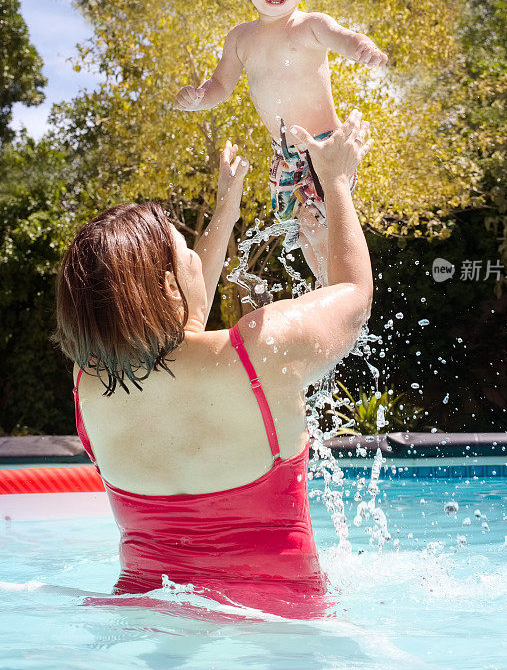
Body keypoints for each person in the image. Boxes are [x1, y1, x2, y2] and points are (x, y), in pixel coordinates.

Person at [54, 110, 373, 620]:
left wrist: (227, 206)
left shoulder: (89, 385)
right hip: (280, 629)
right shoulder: (259, 352)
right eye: (187, 253)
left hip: (142, 615)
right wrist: (337, 182)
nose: (197, 262)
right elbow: (354, 296)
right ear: (165, 286)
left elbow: (176, 328)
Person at [174, 0, 386, 285]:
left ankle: (342, 290)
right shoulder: (240, 38)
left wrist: (362, 48)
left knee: (322, 220)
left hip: (324, 147)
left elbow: (345, 38)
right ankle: (323, 286)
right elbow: (221, 86)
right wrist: (199, 99)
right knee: (303, 229)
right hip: (283, 153)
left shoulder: (311, 25)